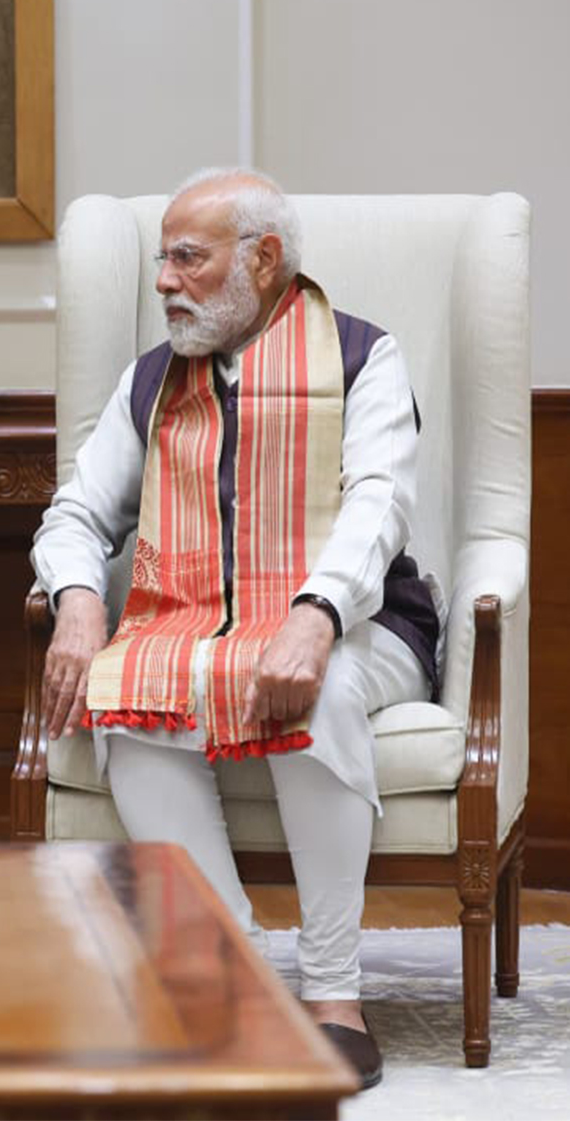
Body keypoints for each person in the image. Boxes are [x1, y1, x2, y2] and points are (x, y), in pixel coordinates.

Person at [31, 168, 439, 1091]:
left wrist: (315, 611)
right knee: (122, 696)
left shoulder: (363, 358)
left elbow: (381, 503)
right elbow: (75, 514)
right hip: (195, 627)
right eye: (161, 260)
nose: (165, 281)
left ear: (263, 261)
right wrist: (79, 599)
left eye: (188, 258)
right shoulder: (151, 381)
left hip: (363, 625)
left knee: (318, 684)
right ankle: (238, 976)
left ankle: (334, 996)